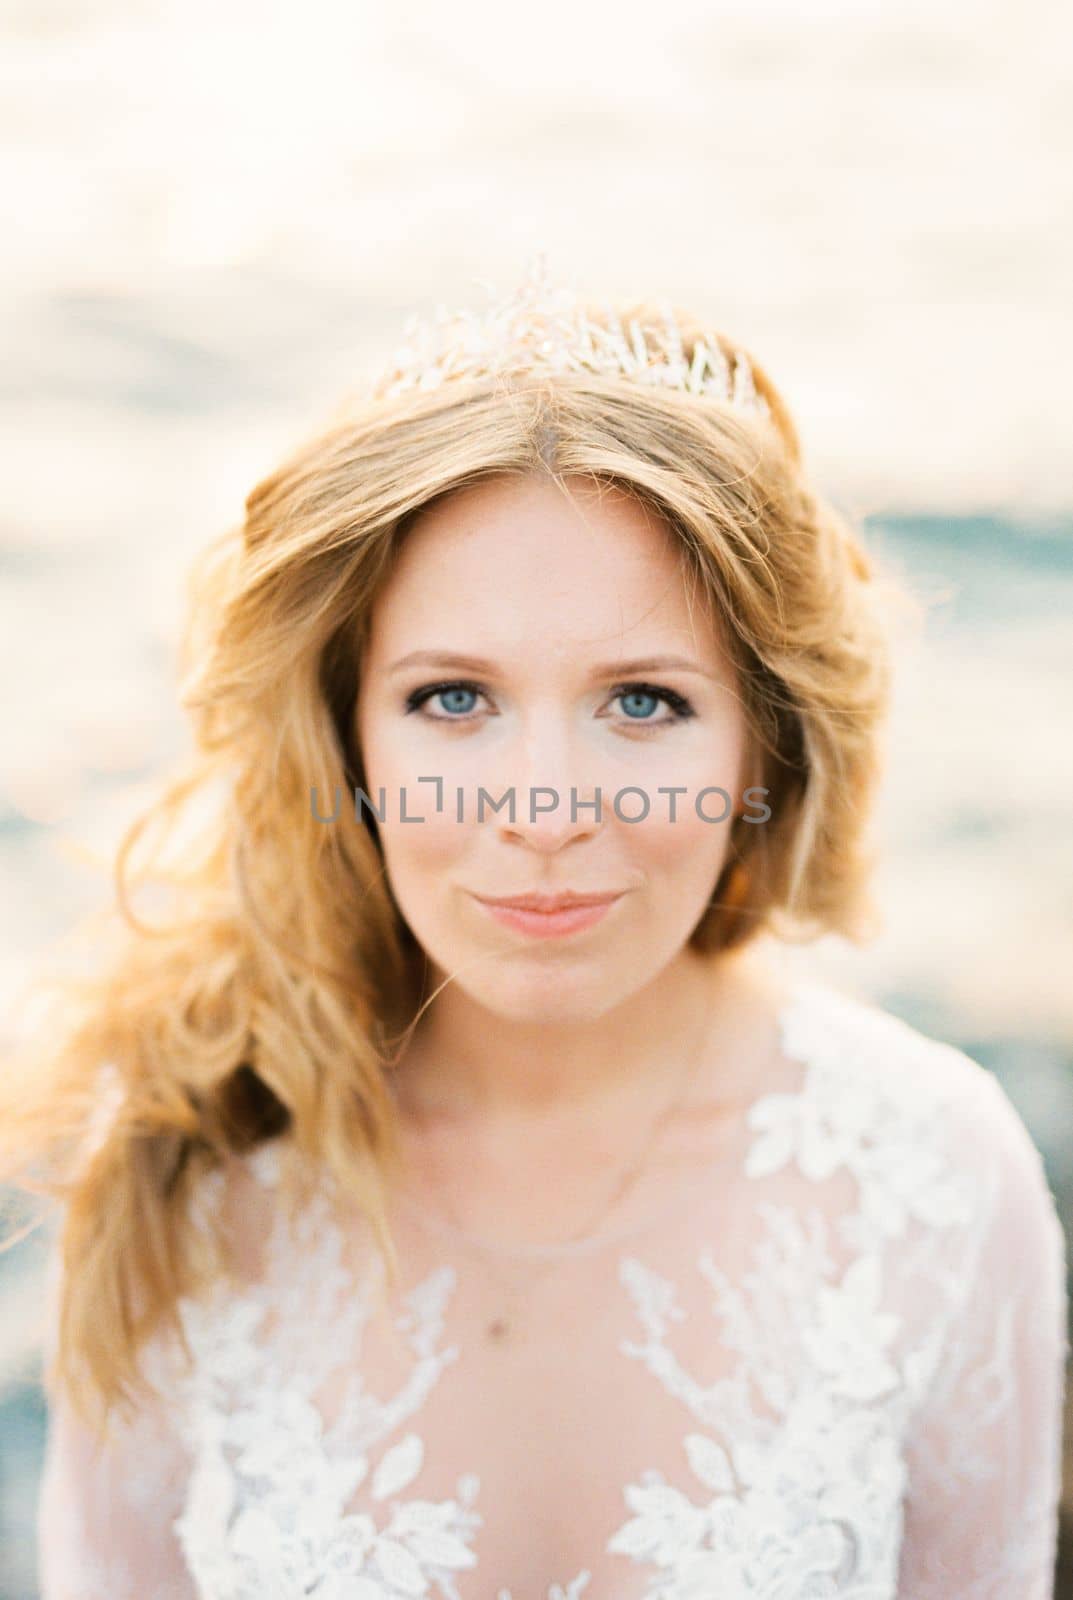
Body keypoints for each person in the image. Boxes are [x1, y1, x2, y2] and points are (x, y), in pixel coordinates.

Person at [4, 259, 1067, 1598]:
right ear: (344, 740)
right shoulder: (187, 1166)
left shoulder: (933, 1179)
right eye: (452, 700)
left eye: (642, 702)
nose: (545, 808)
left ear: (767, 735)